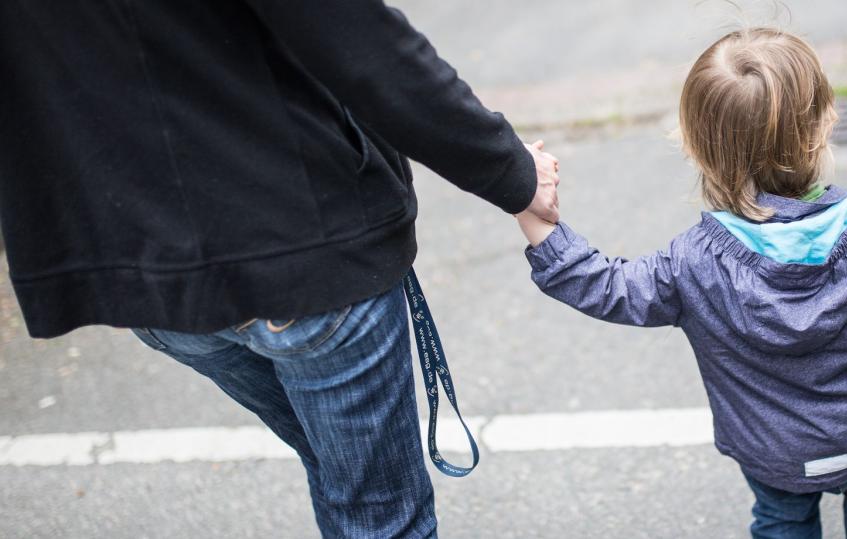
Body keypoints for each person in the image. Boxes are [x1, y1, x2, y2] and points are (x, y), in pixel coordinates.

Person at [0, 1, 558, 537]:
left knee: (339, 475)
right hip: (301, 245)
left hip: (148, 273)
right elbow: (363, 44)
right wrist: (511, 171)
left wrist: (87, 253)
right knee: (375, 512)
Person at [515, 28, 847, 539]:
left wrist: (529, 205)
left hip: (770, 451)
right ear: (823, 127)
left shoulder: (690, 264)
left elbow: (608, 286)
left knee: (784, 516)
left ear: (698, 149)